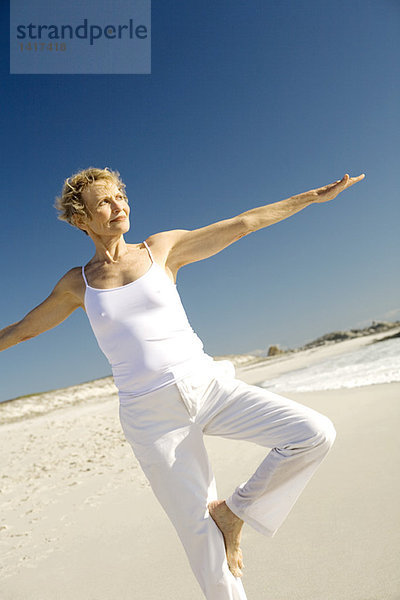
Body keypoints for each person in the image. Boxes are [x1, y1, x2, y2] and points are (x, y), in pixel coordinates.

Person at [0, 167, 365, 600]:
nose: (119, 205)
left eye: (120, 196)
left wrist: (310, 198)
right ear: (82, 219)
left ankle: (235, 512)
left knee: (314, 433)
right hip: (150, 417)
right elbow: (23, 329)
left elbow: (242, 224)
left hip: (206, 385)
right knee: (202, 542)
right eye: (105, 201)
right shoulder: (77, 284)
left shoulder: (161, 249)